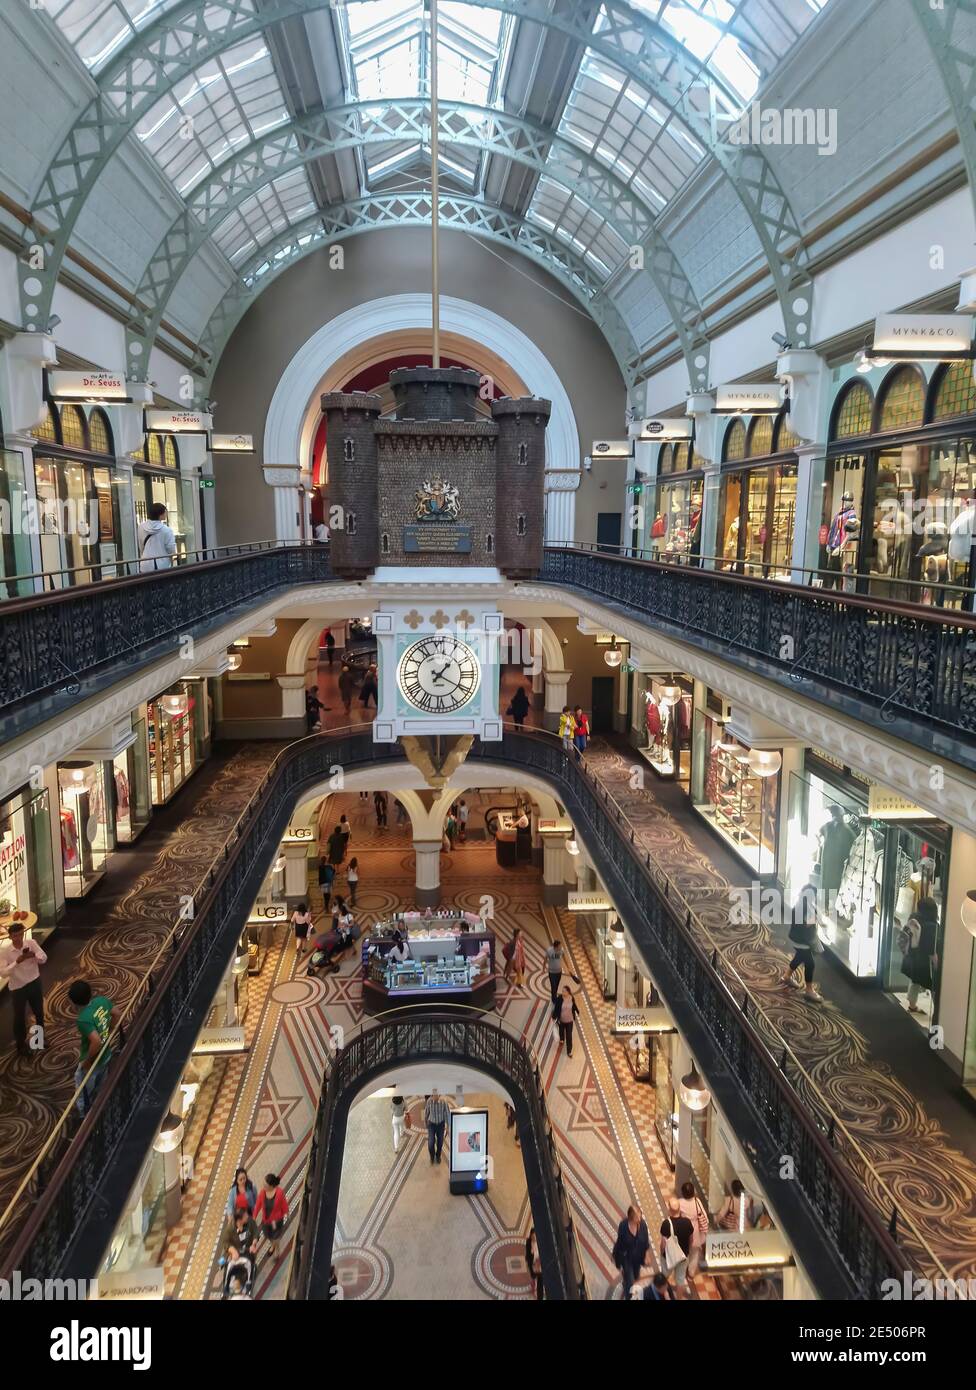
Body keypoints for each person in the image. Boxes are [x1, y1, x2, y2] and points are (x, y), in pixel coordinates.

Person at [0, 924, 46, 1058]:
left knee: (39, 1012)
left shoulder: (31, 943)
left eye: (21, 934)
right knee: (19, 1018)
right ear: (10, 937)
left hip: (34, 982)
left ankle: (40, 1039)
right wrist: (17, 962)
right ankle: (21, 1046)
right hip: (18, 988)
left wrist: (35, 956)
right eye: (15, 936)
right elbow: (3, 973)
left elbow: (44, 958)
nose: (18, 938)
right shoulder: (5, 952)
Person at [68, 980, 113, 1115]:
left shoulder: (83, 1019)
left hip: (93, 1060)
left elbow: (96, 1041)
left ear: (73, 1002)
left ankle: (85, 1115)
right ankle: (102, 1105)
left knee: (83, 1087)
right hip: (106, 1054)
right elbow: (116, 1013)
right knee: (102, 1081)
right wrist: (108, 1033)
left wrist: (87, 1061)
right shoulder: (101, 1001)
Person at [782, 871, 820, 1000]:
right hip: (802, 940)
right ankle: (809, 990)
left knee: (798, 958)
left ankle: (787, 977)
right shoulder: (804, 907)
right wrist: (816, 919)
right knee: (810, 964)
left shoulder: (802, 903)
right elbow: (806, 924)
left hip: (796, 938)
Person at [612, 1204, 650, 1300]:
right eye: (637, 1217)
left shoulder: (643, 1225)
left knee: (636, 1275)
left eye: (640, 1216)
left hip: (638, 1258)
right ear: (631, 1218)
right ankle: (629, 1296)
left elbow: (646, 1240)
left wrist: (647, 1254)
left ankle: (627, 1281)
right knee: (630, 1281)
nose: (640, 1219)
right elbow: (619, 1244)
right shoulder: (623, 1226)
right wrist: (617, 1258)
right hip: (627, 1259)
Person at [660, 1198, 694, 1299]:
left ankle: (664, 1296)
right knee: (680, 1279)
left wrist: (662, 1254)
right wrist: (688, 1252)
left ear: (670, 1209)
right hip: (683, 1256)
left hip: (669, 1257)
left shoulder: (666, 1224)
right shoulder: (687, 1222)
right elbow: (691, 1240)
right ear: (679, 1209)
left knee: (664, 1277)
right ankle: (679, 1298)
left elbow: (663, 1244)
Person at [678, 1180, 709, 1278]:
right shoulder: (697, 1201)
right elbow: (705, 1218)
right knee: (694, 1254)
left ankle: (681, 1271)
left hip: (683, 1232)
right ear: (693, 1192)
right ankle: (691, 1273)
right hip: (695, 1233)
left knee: (683, 1253)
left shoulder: (679, 1203)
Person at [253, 1173, 289, 1258]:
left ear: (272, 1186)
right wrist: (254, 1216)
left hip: (276, 1221)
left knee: (276, 1236)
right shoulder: (262, 1193)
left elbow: (284, 1204)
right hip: (266, 1221)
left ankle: (276, 1248)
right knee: (267, 1235)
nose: (263, 1186)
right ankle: (272, 1245)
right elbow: (258, 1204)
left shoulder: (279, 1193)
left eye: (265, 1185)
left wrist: (287, 1213)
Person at [137, 501, 177, 572]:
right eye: (165, 512)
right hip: (162, 565)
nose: (166, 514)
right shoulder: (166, 530)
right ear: (160, 514)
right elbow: (171, 549)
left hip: (145, 564)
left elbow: (141, 546)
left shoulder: (141, 527)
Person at [424, 1088, 450, 1165]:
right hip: (431, 1124)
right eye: (433, 1096)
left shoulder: (443, 1101)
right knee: (430, 1143)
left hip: (440, 1125)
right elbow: (426, 1113)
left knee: (440, 1142)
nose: (434, 1098)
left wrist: (448, 1127)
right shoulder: (429, 1101)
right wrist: (426, 1123)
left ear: (439, 1095)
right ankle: (432, 1156)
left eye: (435, 1096)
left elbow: (447, 1114)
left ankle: (438, 1156)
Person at [553, 984, 579, 1057]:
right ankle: (562, 1039)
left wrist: (577, 1011)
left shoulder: (571, 998)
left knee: (569, 1036)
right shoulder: (559, 999)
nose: (563, 992)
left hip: (570, 1021)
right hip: (562, 1019)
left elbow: (574, 1006)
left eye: (564, 991)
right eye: (562, 991)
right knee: (561, 1030)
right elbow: (556, 1008)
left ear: (568, 992)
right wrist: (554, 1016)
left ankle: (569, 1051)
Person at [525, 1228, 544, 1300]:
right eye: (533, 1237)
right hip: (532, 1263)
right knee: (533, 1276)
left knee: (540, 1280)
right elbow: (527, 1254)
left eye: (535, 1237)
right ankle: (533, 1281)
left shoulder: (541, 1243)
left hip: (539, 1264)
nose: (534, 1238)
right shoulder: (528, 1242)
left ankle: (540, 1297)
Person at [545, 939, 563, 1004]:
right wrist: (543, 968)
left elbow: (564, 957)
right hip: (552, 972)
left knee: (556, 986)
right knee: (553, 986)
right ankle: (554, 1000)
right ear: (556, 946)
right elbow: (545, 959)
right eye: (560, 946)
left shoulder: (561, 950)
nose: (561, 947)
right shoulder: (549, 951)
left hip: (559, 972)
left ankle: (554, 997)